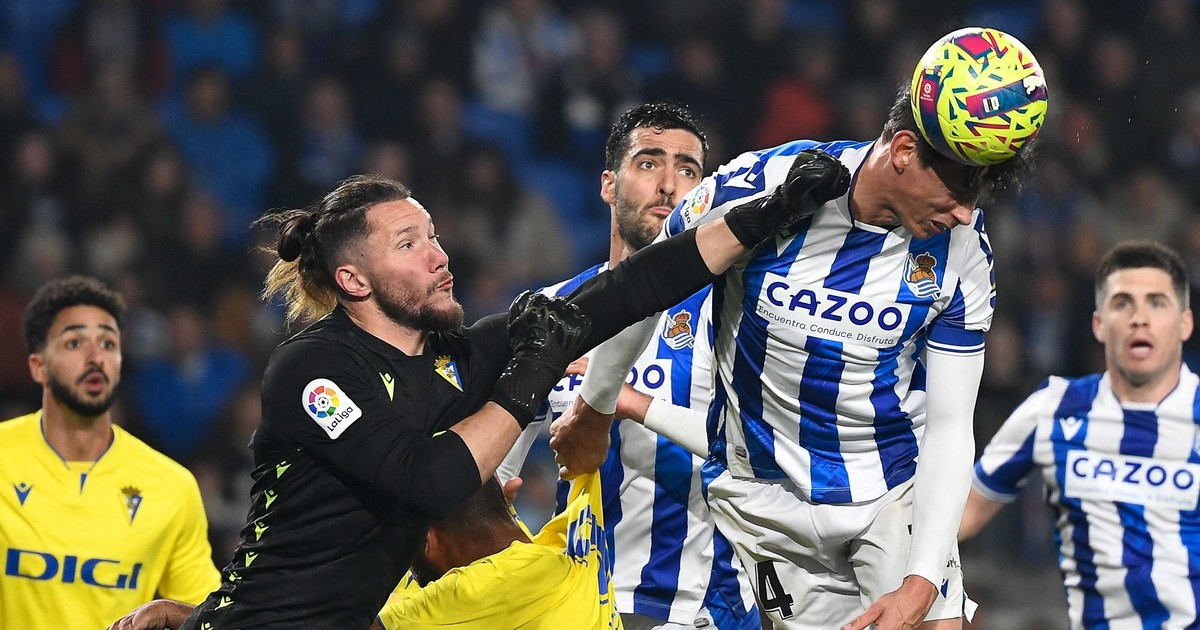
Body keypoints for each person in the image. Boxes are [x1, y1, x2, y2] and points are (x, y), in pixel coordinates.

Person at [171, 165, 849, 629]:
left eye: (434, 236)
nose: (439, 255)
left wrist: (765, 215)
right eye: (409, 244)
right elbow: (429, 481)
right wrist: (528, 382)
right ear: (354, 280)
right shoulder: (313, 369)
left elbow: (628, 290)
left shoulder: (453, 359)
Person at [551, 43, 1041, 630]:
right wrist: (596, 408)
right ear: (905, 151)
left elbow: (951, 425)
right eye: (960, 187)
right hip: (764, 506)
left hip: (889, 492)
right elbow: (647, 283)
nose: (965, 211)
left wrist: (922, 580)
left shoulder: (964, 254)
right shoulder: (762, 185)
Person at [500, 102, 759, 629]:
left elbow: (759, 449)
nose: (668, 185)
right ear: (608, 185)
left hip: (703, 609)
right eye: (648, 164)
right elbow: (501, 467)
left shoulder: (738, 314)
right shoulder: (553, 310)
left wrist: (623, 401)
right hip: (574, 607)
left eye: (687, 170)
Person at [962, 241, 1200, 629]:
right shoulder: (1053, 409)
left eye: (1157, 303)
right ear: (1099, 324)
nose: (1139, 318)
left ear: (1185, 323)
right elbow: (964, 515)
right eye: (1123, 303)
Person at [109, 473, 619, 630]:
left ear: (424, 539)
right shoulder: (569, 531)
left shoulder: (471, 594)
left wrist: (181, 616)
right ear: (507, 499)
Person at [0, 276, 220, 630]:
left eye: (108, 343)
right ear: (39, 366)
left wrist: (170, 612)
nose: (95, 357)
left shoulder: (171, 486)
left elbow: (213, 618)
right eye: (74, 343)